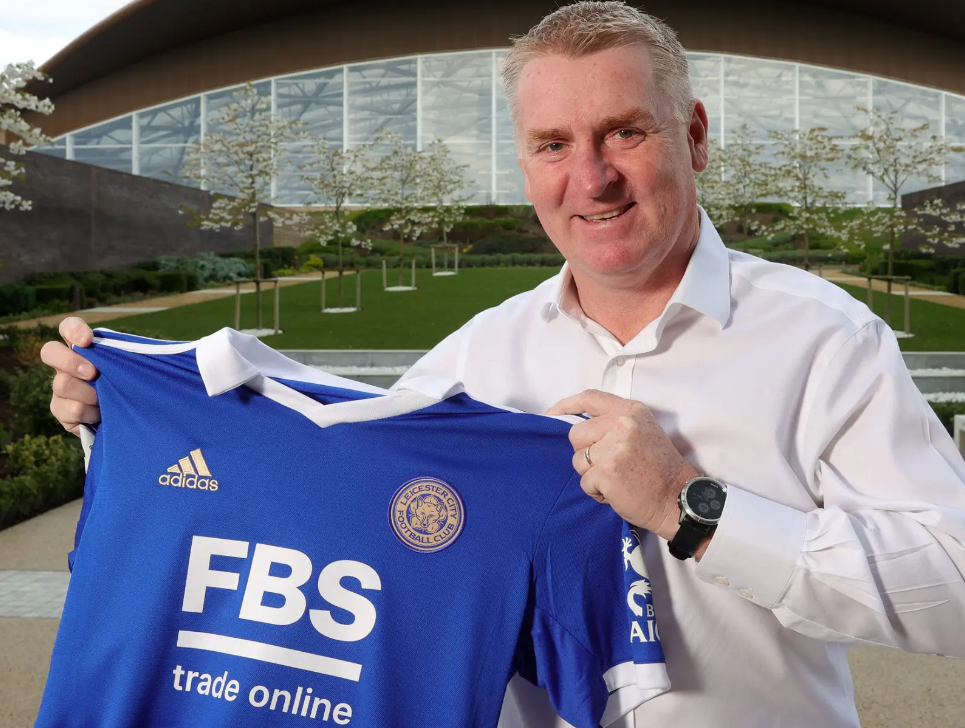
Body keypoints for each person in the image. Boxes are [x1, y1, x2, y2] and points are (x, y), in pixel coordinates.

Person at [41, 2, 965, 727]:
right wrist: (126, 424)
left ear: (692, 135)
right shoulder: (475, 357)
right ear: (524, 163)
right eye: (553, 145)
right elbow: (324, 512)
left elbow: (955, 594)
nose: (590, 178)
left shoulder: (823, 340)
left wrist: (691, 508)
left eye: (624, 132)